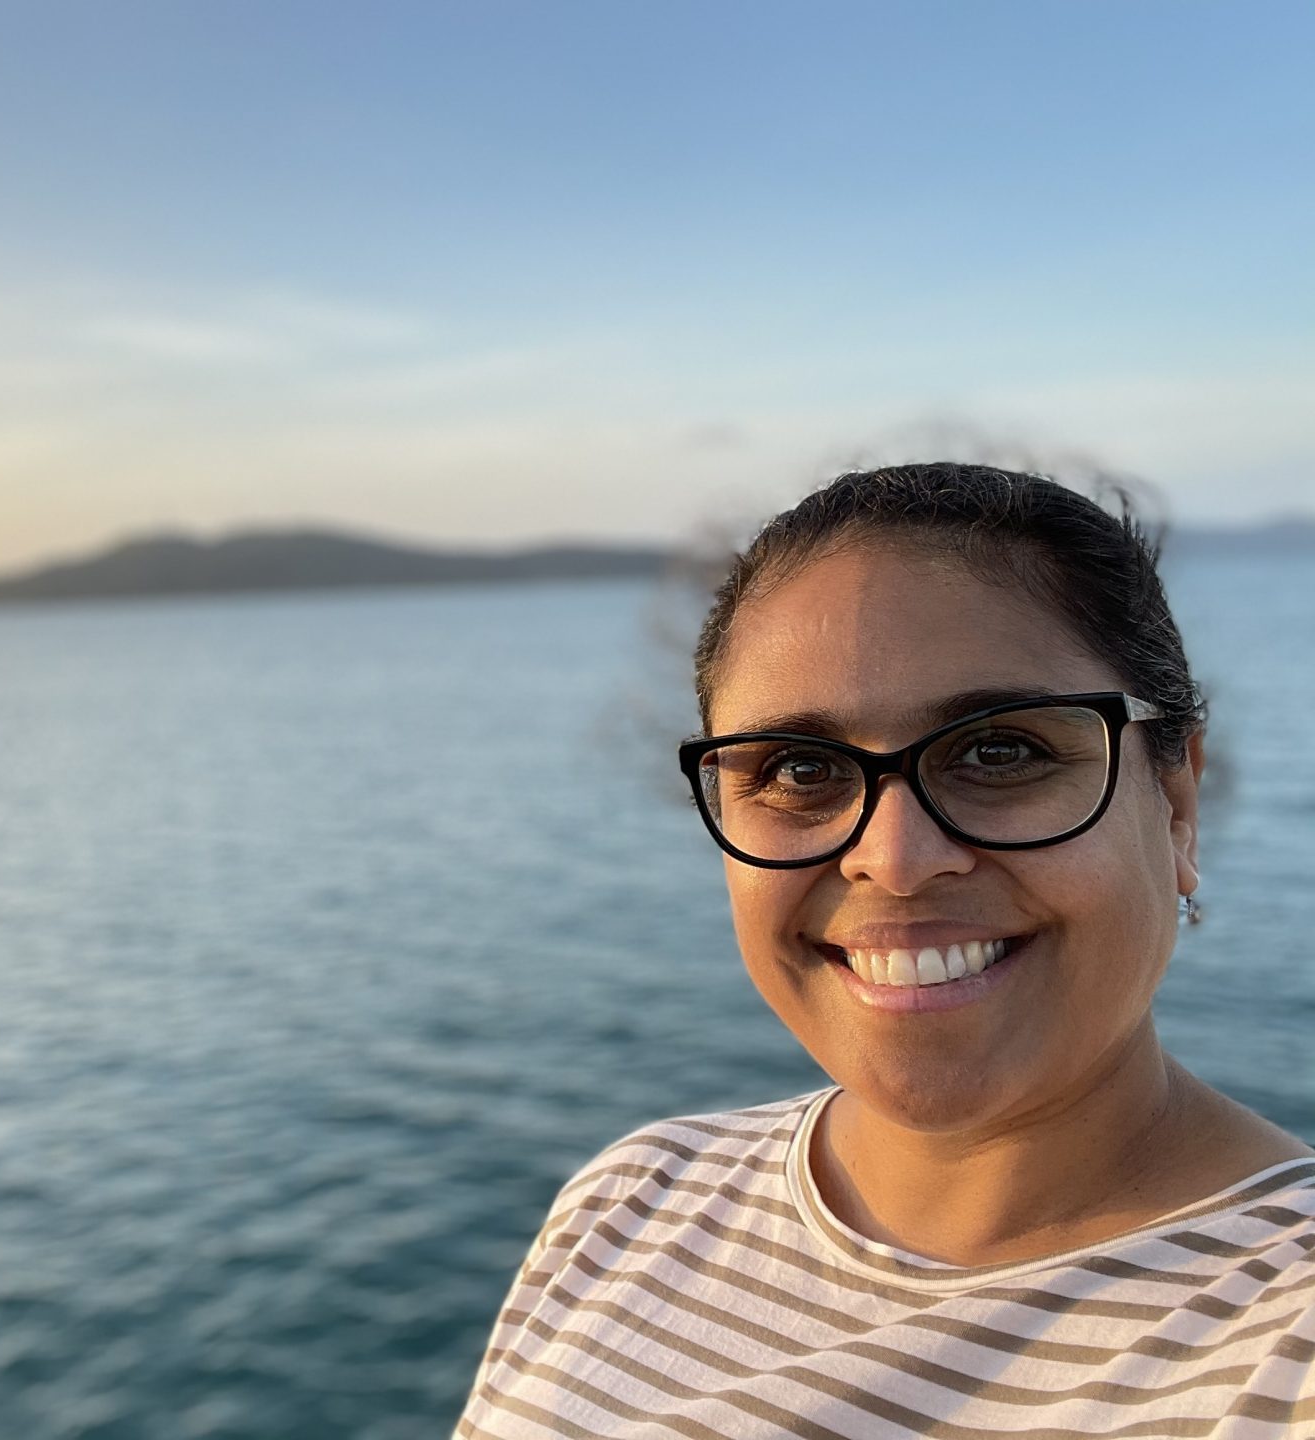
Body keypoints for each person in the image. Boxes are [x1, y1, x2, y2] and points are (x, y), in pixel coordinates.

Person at [458, 463, 1315, 1438]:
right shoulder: (629, 1207)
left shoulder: (1281, 1344)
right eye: (800, 769)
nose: (896, 860)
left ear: (1176, 804)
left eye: (1000, 751)